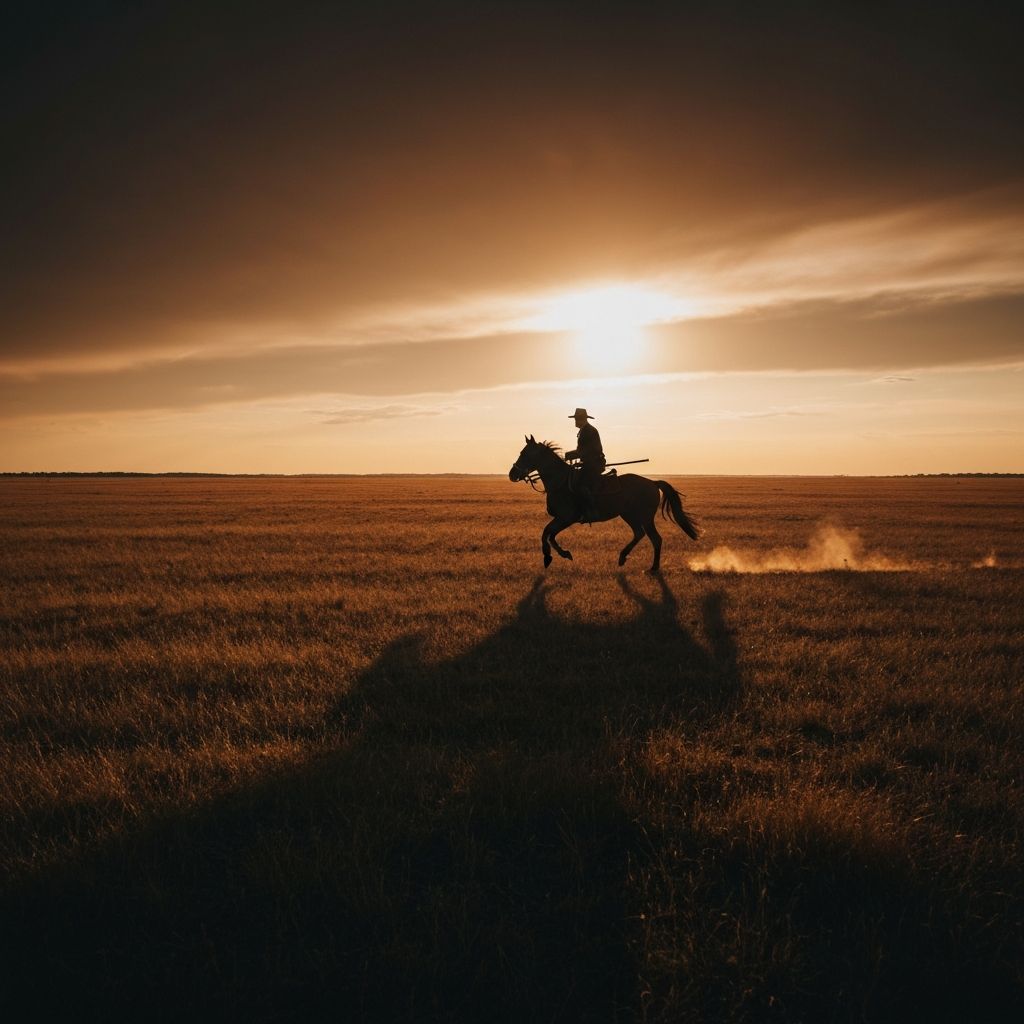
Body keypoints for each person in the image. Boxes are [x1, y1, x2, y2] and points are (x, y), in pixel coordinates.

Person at [565, 407, 606, 521]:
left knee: (580, 485)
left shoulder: (588, 431)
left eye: (576, 419)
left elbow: (584, 451)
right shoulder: (585, 430)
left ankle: (591, 511)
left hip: (593, 464)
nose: (575, 421)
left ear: (580, 419)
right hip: (590, 463)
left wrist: (568, 455)